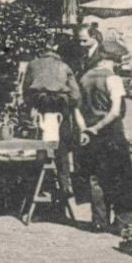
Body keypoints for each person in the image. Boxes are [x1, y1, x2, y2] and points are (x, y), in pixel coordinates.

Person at [73, 26, 132, 232]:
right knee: (122, 176)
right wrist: (98, 127)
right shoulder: (113, 79)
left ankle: (98, 220)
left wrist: (85, 130)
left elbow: (76, 108)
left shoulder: (84, 78)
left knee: (95, 177)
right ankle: (122, 222)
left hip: (89, 132)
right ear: (111, 60)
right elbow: (115, 111)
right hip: (111, 132)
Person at [18, 41, 81, 198]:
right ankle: (64, 184)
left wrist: (33, 104)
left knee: (39, 146)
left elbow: (26, 93)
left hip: (41, 110)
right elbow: (76, 95)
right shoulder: (65, 66)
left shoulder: (32, 65)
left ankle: (39, 186)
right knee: (62, 148)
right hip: (61, 110)